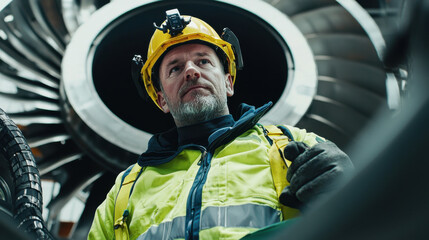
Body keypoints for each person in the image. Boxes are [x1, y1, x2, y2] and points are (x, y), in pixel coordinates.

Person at [88, 9, 353, 240]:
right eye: (175, 69)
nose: (191, 71)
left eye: (203, 61)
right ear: (161, 99)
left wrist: (349, 186)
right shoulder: (124, 190)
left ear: (228, 82)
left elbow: (373, 215)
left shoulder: (292, 145)